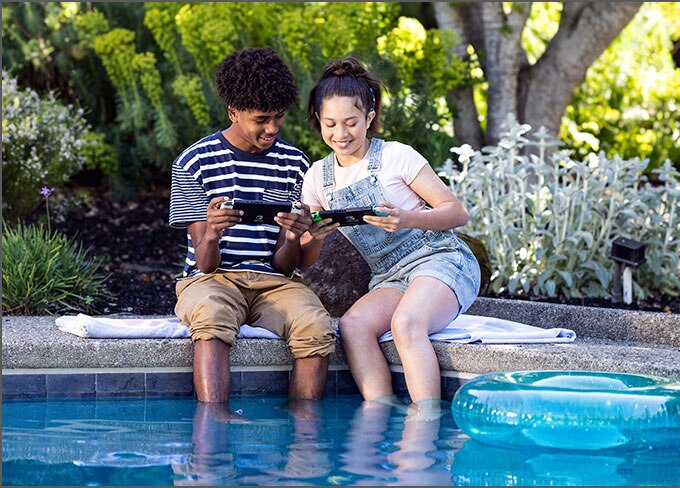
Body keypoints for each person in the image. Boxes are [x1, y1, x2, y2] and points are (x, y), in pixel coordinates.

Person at [299, 57, 481, 410]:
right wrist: (313, 234)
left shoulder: (397, 156)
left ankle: (426, 420)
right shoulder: (317, 177)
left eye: (351, 122)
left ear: (369, 118)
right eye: (330, 123)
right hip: (390, 277)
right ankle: (381, 410)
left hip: (440, 260)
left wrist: (408, 218)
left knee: (407, 322)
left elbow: (457, 212)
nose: (341, 134)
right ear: (318, 121)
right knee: (352, 326)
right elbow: (307, 246)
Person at [168, 47, 335, 404]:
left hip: (274, 282)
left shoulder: (294, 163)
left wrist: (293, 234)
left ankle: (305, 437)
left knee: (316, 326)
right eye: (261, 119)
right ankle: (214, 426)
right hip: (212, 279)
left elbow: (284, 266)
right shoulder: (194, 162)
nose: (272, 128)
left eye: (279, 117)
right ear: (233, 112)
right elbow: (204, 264)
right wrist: (212, 232)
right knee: (211, 317)